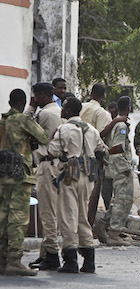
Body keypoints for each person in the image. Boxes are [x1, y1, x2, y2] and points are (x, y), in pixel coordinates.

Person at [48, 97, 108, 273]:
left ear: (68, 110)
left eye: (64, 108)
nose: (61, 110)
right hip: (88, 177)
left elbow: (53, 151)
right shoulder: (92, 130)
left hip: (69, 177)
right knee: (83, 216)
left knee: (68, 217)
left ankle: (71, 260)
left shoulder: (63, 129)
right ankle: (89, 261)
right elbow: (101, 150)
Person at [0, 89, 49, 276]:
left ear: (9, 101)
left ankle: (2, 259)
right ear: (25, 101)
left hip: (3, 176)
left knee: (2, 216)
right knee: (18, 218)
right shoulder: (23, 120)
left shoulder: (2, 122)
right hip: (20, 176)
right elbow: (44, 137)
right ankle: (14, 261)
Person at [25, 83, 64, 271]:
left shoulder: (45, 114)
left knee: (47, 213)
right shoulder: (58, 111)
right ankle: (45, 253)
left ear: (41, 95)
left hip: (46, 164)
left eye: (36, 96)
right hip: (58, 165)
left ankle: (52, 254)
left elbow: (24, 126)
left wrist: (30, 108)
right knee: (52, 212)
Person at [80, 84, 125, 226]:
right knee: (92, 196)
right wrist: (115, 121)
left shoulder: (81, 106)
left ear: (91, 93)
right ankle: (88, 226)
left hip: (76, 154)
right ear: (103, 97)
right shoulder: (101, 113)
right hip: (93, 156)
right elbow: (99, 134)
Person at [94, 96, 134, 246]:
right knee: (123, 201)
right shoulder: (121, 126)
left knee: (118, 201)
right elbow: (118, 149)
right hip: (120, 169)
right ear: (129, 108)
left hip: (114, 168)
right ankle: (114, 234)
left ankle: (103, 223)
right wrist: (125, 168)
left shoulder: (116, 124)